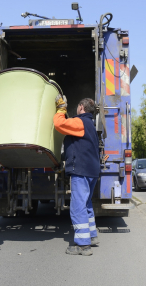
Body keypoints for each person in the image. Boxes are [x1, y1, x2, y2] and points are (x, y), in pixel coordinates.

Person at [53, 96, 100, 256]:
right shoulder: (90, 125)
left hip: (82, 170)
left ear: (81, 107)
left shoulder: (80, 122)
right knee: (86, 204)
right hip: (92, 171)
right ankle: (91, 236)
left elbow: (59, 124)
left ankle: (82, 245)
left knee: (78, 206)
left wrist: (61, 109)